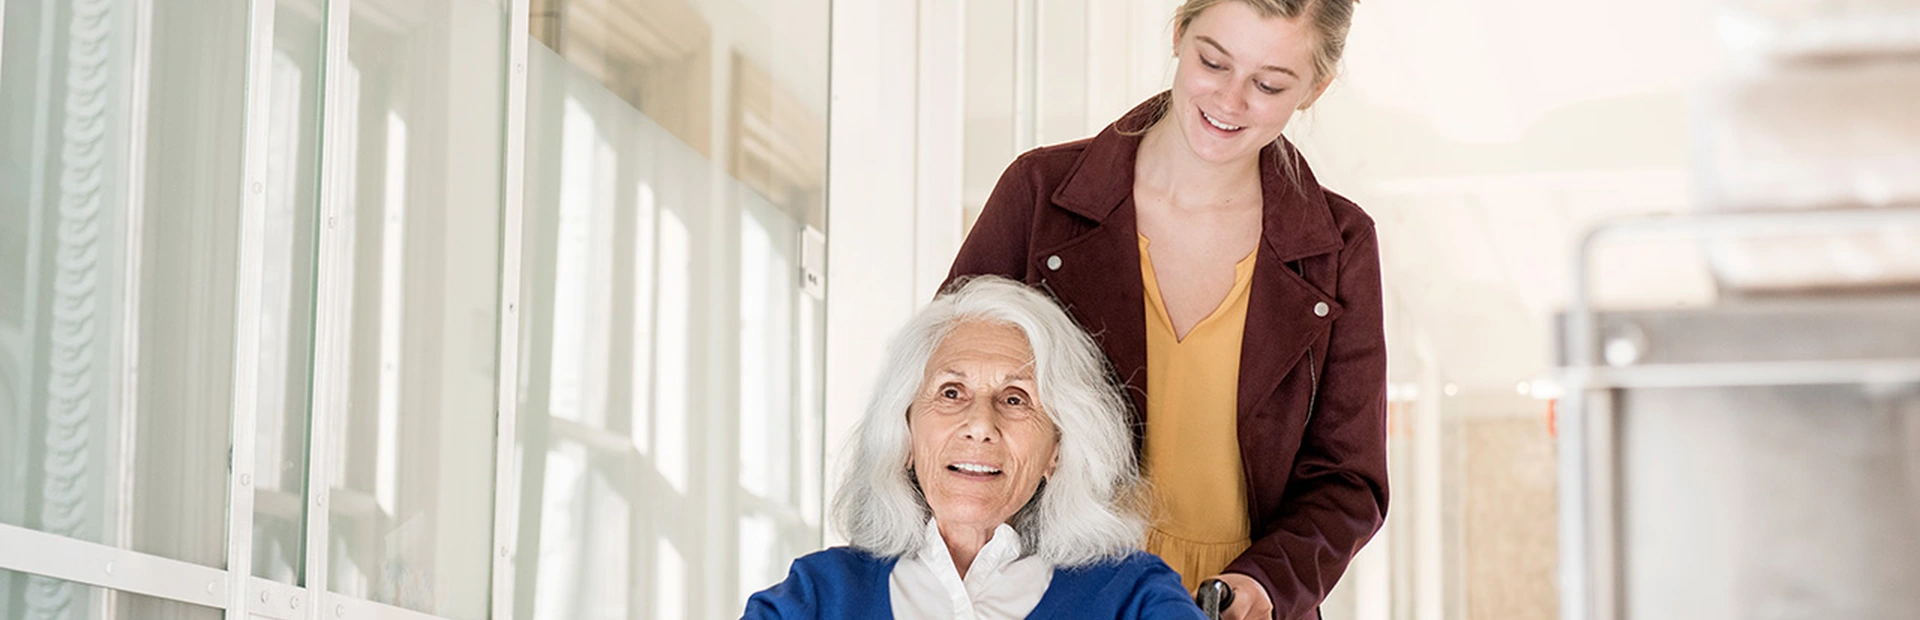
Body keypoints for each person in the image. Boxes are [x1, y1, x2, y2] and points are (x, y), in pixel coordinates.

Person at [945, 1, 1386, 619]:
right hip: (1050, 593)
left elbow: (1347, 480)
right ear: (1179, 34)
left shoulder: (1341, 246)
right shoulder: (1039, 194)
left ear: (1314, 89)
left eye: (1269, 84)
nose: (1230, 101)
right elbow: (943, 401)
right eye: (1213, 61)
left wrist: (1264, 586)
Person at [743, 276, 1207, 619]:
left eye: (1015, 398)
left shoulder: (1133, 595)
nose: (980, 424)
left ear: (1058, 449)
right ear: (905, 434)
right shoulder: (818, 596)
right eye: (950, 392)